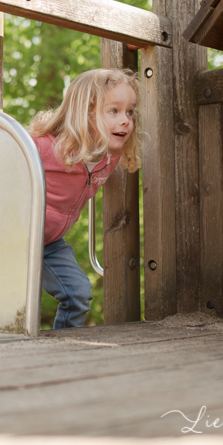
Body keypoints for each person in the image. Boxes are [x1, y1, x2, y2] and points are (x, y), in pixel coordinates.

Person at [27, 68, 142, 329]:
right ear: (86, 113)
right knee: (10, 298)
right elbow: (7, 154)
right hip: (17, 237)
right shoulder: (46, 148)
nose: (125, 120)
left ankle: (65, 349)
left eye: (130, 112)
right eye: (113, 111)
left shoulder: (110, 155)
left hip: (50, 242)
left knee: (77, 292)